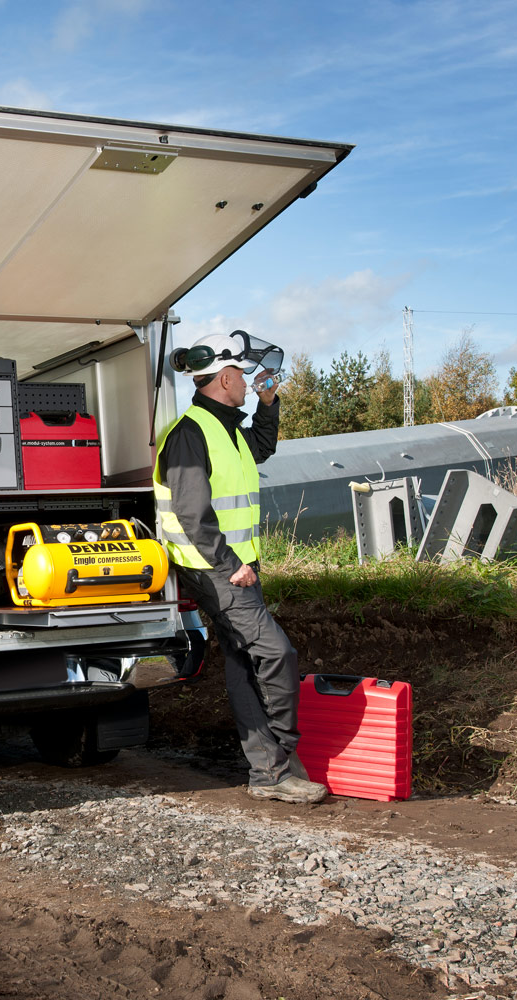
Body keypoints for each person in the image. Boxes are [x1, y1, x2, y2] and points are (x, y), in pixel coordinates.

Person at [154, 330, 327, 804]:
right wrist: (231, 565)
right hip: (214, 568)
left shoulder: (225, 428)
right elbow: (192, 513)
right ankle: (282, 763)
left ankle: (266, 770)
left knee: (243, 661)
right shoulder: (190, 433)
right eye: (246, 379)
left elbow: (261, 447)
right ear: (226, 377)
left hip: (233, 565)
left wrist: (269, 403)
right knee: (275, 653)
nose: (250, 385)